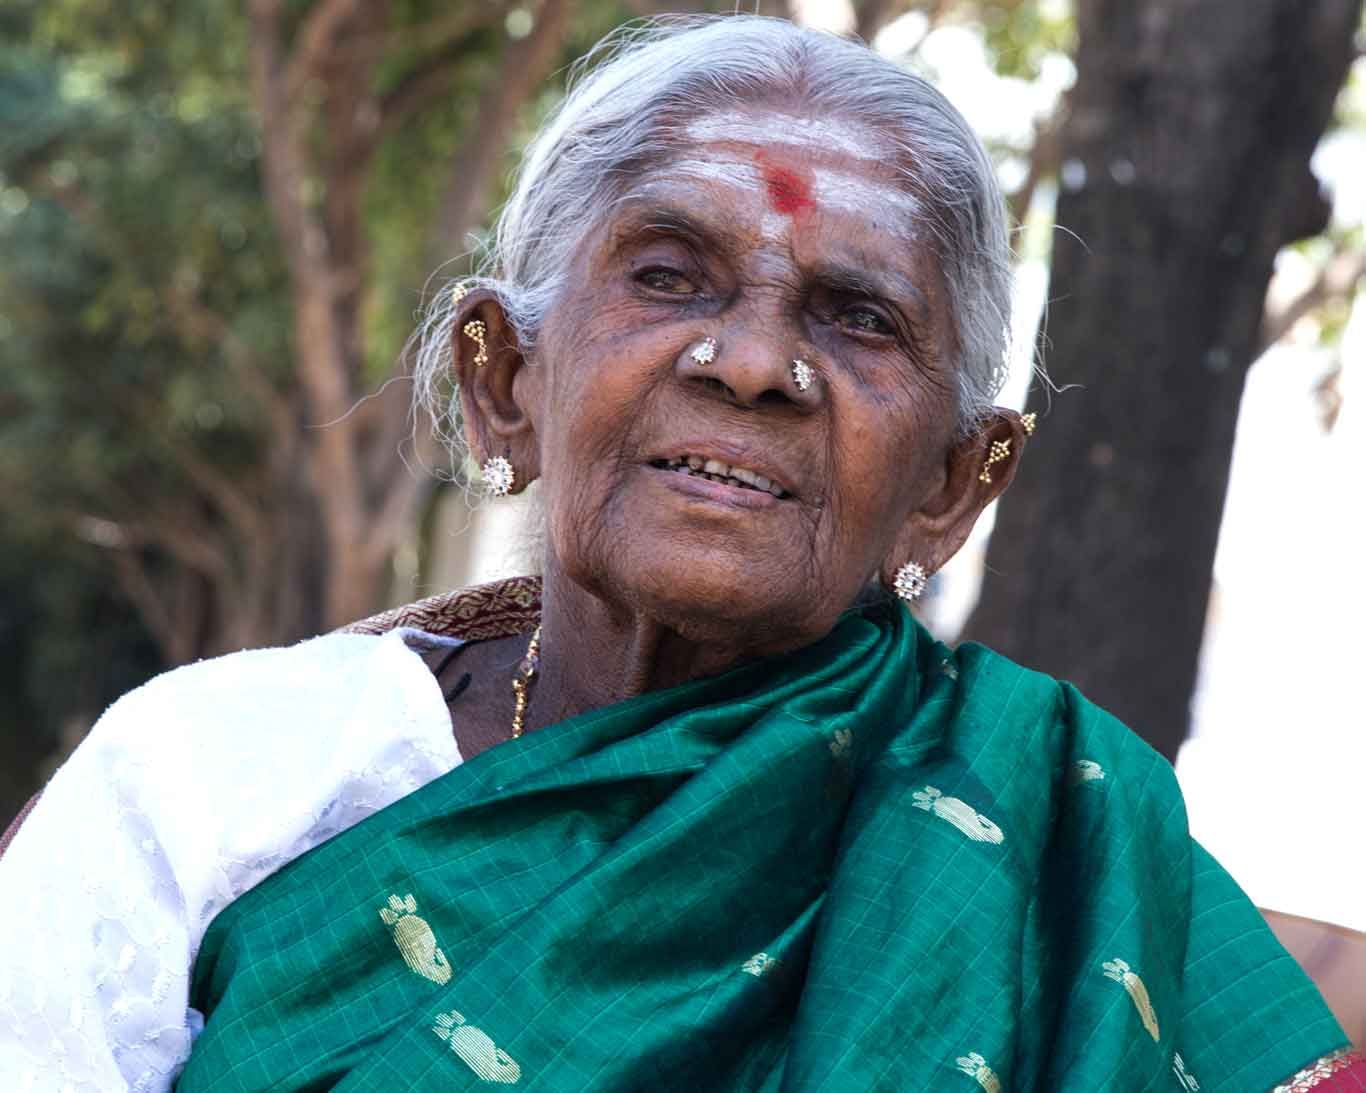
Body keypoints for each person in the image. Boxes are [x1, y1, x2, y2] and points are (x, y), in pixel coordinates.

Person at [0, 15, 1360, 1092]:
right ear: (504, 379)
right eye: (667, 276)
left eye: (857, 315)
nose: (757, 361)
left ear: (954, 480)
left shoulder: (1062, 856)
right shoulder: (210, 780)